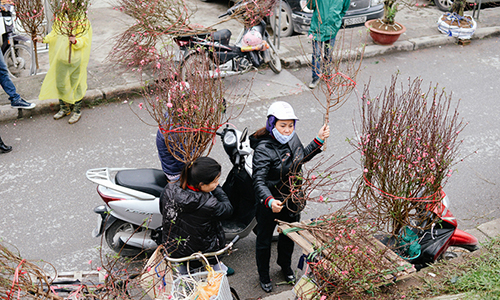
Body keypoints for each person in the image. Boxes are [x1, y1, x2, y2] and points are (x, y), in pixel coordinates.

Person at [250, 101, 330, 293]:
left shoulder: (292, 139)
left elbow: (300, 157)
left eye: (290, 125)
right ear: (272, 125)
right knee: (264, 240)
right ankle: (263, 274)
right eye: (282, 125)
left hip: (293, 200)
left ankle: (285, 266)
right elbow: (258, 180)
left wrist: (318, 140)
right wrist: (269, 200)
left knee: (288, 236)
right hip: (271, 203)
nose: (287, 130)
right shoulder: (263, 149)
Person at [159, 157, 234, 273]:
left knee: (184, 278)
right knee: (209, 279)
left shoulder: (169, 189)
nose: (217, 183)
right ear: (201, 184)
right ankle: (218, 269)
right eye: (214, 181)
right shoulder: (208, 203)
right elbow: (228, 209)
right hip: (200, 250)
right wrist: (217, 189)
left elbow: (162, 210)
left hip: (174, 246)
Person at [35, 17, 92, 124]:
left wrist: (75, 41)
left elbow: (85, 40)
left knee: (76, 85)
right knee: (60, 84)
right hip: (61, 58)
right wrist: (43, 39)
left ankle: (77, 111)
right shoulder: (61, 18)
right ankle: (65, 108)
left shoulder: (82, 20)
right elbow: (54, 34)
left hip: (75, 59)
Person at [307, 0, 350, 89]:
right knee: (316, 54)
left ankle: (327, 74)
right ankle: (316, 77)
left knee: (328, 53)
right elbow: (310, 7)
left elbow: (344, 9)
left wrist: (336, 21)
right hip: (317, 28)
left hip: (332, 29)